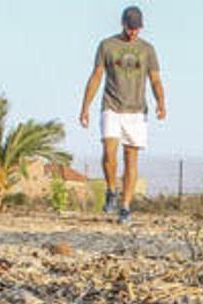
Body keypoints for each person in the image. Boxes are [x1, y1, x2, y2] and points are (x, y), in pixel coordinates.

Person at [79, 6, 166, 224]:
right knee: (109, 152)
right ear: (122, 24)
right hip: (112, 106)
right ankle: (111, 190)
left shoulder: (148, 50)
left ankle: (125, 206)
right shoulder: (107, 45)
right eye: (129, 28)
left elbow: (155, 79)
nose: (132, 33)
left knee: (130, 158)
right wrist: (85, 107)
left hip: (136, 111)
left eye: (136, 29)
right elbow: (97, 76)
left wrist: (161, 103)